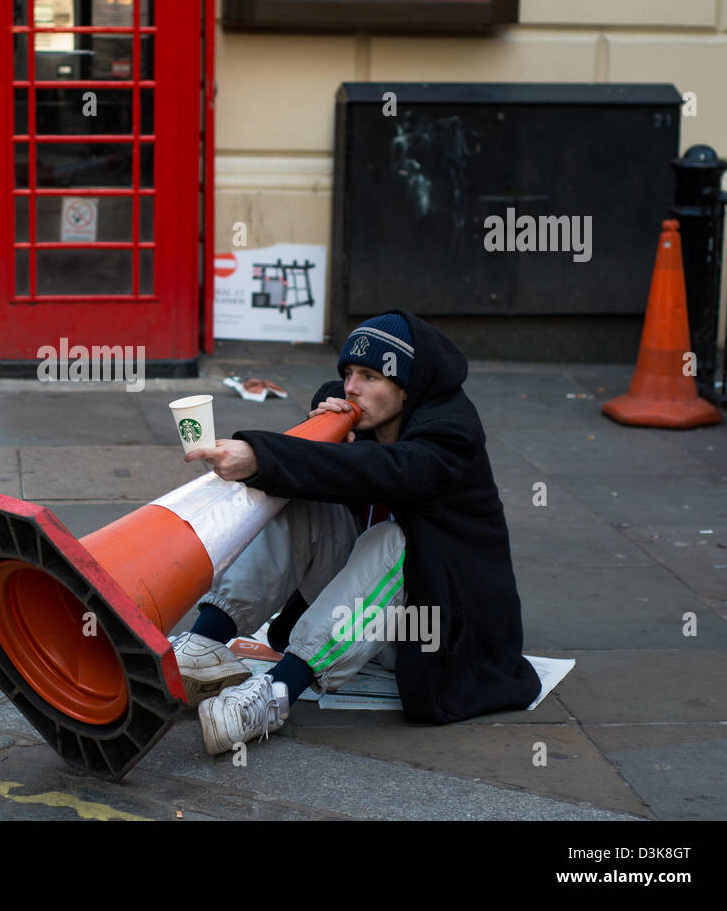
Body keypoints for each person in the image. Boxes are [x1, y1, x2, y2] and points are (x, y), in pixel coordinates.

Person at [174, 310, 541, 755]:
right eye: (348, 373)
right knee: (303, 499)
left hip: (438, 632)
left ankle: (275, 694)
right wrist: (327, 414)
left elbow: (387, 472)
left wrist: (262, 456)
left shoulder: (451, 435)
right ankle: (207, 641)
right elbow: (335, 444)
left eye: (369, 376)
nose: (351, 389)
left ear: (410, 387)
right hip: (365, 616)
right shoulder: (368, 416)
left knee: (396, 539)